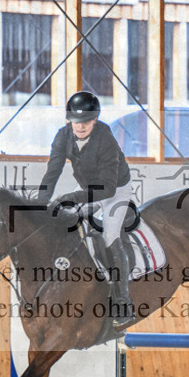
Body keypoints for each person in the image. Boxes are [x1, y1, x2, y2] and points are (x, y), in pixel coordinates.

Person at [35, 91, 135, 327]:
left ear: (95, 120)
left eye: (87, 121)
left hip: (116, 189)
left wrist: (73, 196)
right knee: (68, 224)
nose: (80, 126)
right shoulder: (63, 137)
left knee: (110, 236)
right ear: (69, 120)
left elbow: (108, 190)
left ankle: (123, 301)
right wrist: (40, 205)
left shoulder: (106, 139)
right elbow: (53, 172)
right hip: (88, 188)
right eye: (76, 121)